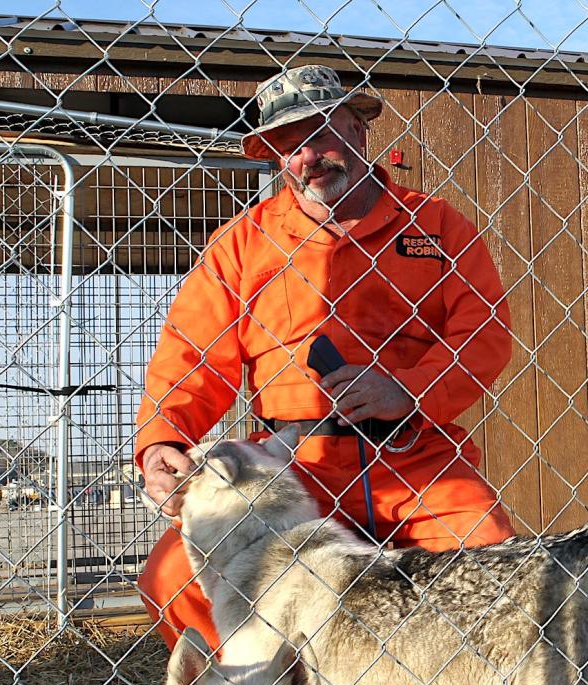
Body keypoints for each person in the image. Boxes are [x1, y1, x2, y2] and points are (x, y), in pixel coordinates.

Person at [136, 65, 515, 651]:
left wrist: (408, 389)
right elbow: (192, 354)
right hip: (289, 465)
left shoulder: (436, 225)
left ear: (360, 131)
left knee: (488, 558)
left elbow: (484, 333)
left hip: (413, 455)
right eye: (288, 145)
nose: (308, 156)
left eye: (321, 133)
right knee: (174, 579)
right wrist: (163, 438)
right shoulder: (241, 244)